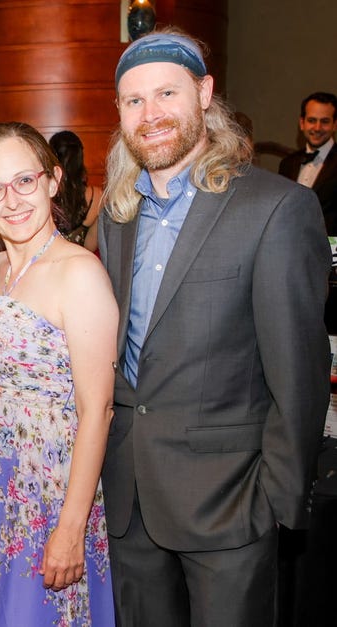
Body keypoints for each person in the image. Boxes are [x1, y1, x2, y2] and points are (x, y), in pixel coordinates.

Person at [99, 28, 330, 627]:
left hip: (231, 501)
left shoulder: (275, 208)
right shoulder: (117, 215)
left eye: (166, 94)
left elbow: (298, 372)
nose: (151, 115)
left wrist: (276, 498)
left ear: (203, 94)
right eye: (133, 101)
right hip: (130, 498)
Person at [0, 122, 118, 625]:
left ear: (52, 180)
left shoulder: (80, 273)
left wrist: (71, 526)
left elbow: (99, 411)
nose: (11, 200)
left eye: (24, 181)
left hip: (50, 485)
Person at [279, 92, 337, 234]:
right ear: (302, 123)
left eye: (324, 121)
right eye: (311, 120)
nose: (317, 128)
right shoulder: (287, 163)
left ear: (335, 124)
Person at [48, 130, 103, 252]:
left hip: (46, 263)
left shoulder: (43, 191)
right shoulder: (97, 196)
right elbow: (90, 246)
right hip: (79, 263)